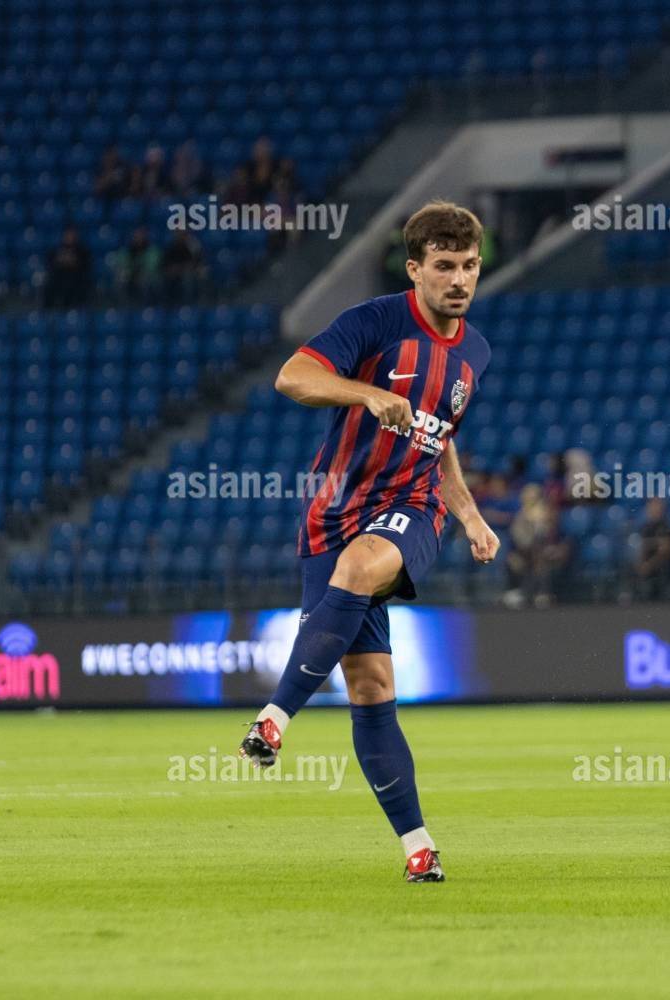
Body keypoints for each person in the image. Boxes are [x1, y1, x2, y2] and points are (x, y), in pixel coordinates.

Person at [238, 201, 497, 884]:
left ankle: (273, 719)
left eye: (469, 266)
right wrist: (364, 394)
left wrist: (469, 516)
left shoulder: (476, 351)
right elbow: (292, 376)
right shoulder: (374, 322)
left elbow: (440, 441)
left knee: (361, 564)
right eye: (445, 266)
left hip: (412, 507)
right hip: (331, 513)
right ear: (415, 269)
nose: (459, 280)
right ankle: (419, 848)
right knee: (371, 684)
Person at [632, 498, 670, 600]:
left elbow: (666, 550)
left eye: (657, 507)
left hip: (663, 568)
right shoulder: (645, 527)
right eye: (651, 507)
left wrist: (649, 565)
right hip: (646, 567)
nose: (654, 510)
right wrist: (641, 563)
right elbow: (641, 548)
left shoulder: (666, 526)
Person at [43, 226, 91, 308]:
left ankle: (73, 307)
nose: (69, 237)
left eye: (71, 235)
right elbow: (50, 263)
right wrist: (61, 261)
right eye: (67, 235)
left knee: (74, 285)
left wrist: (74, 261)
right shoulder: (57, 250)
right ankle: (48, 309)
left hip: (77, 277)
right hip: (60, 277)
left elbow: (86, 265)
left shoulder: (82, 250)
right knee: (50, 284)